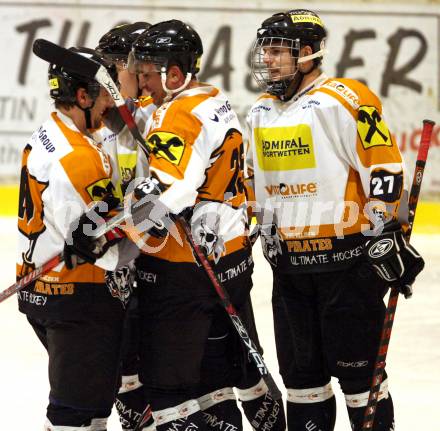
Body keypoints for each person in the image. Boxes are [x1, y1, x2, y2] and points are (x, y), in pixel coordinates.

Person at [246, 9, 425, 431]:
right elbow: (253, 182)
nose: (267, 59)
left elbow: (382, 169)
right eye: (265, 50)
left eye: (277, 50)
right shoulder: (260, 111)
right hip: (288, 269)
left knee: (360, 379)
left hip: (346, 268)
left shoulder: (345, 98)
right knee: (302, 382)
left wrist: (386, 232)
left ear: (307, 54)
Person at [125, 19, 285, 431]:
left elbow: (167, 192)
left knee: (168, 389)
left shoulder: (178, 114)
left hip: (183, 270)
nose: (142, 83)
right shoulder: (212, 98)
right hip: (228, 258)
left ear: (174, 74)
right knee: (218, 378)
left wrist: (113, 227)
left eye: (147, 74)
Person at [17, 47, 139, 430]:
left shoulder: (53, 131)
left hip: (41, 288)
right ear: (83, 97)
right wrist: (154, 214)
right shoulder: (78, 160)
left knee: (88, 407)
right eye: (105, 94)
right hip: (78, 298)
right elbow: (108, 256)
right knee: (75, 414)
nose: (111, 103)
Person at [96, 22, 156, 431]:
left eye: (115, 66)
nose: (109, 78)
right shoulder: (107, 121)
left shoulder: (163, 114)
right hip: (125, 261)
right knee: (126, 368)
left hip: (164, 260)